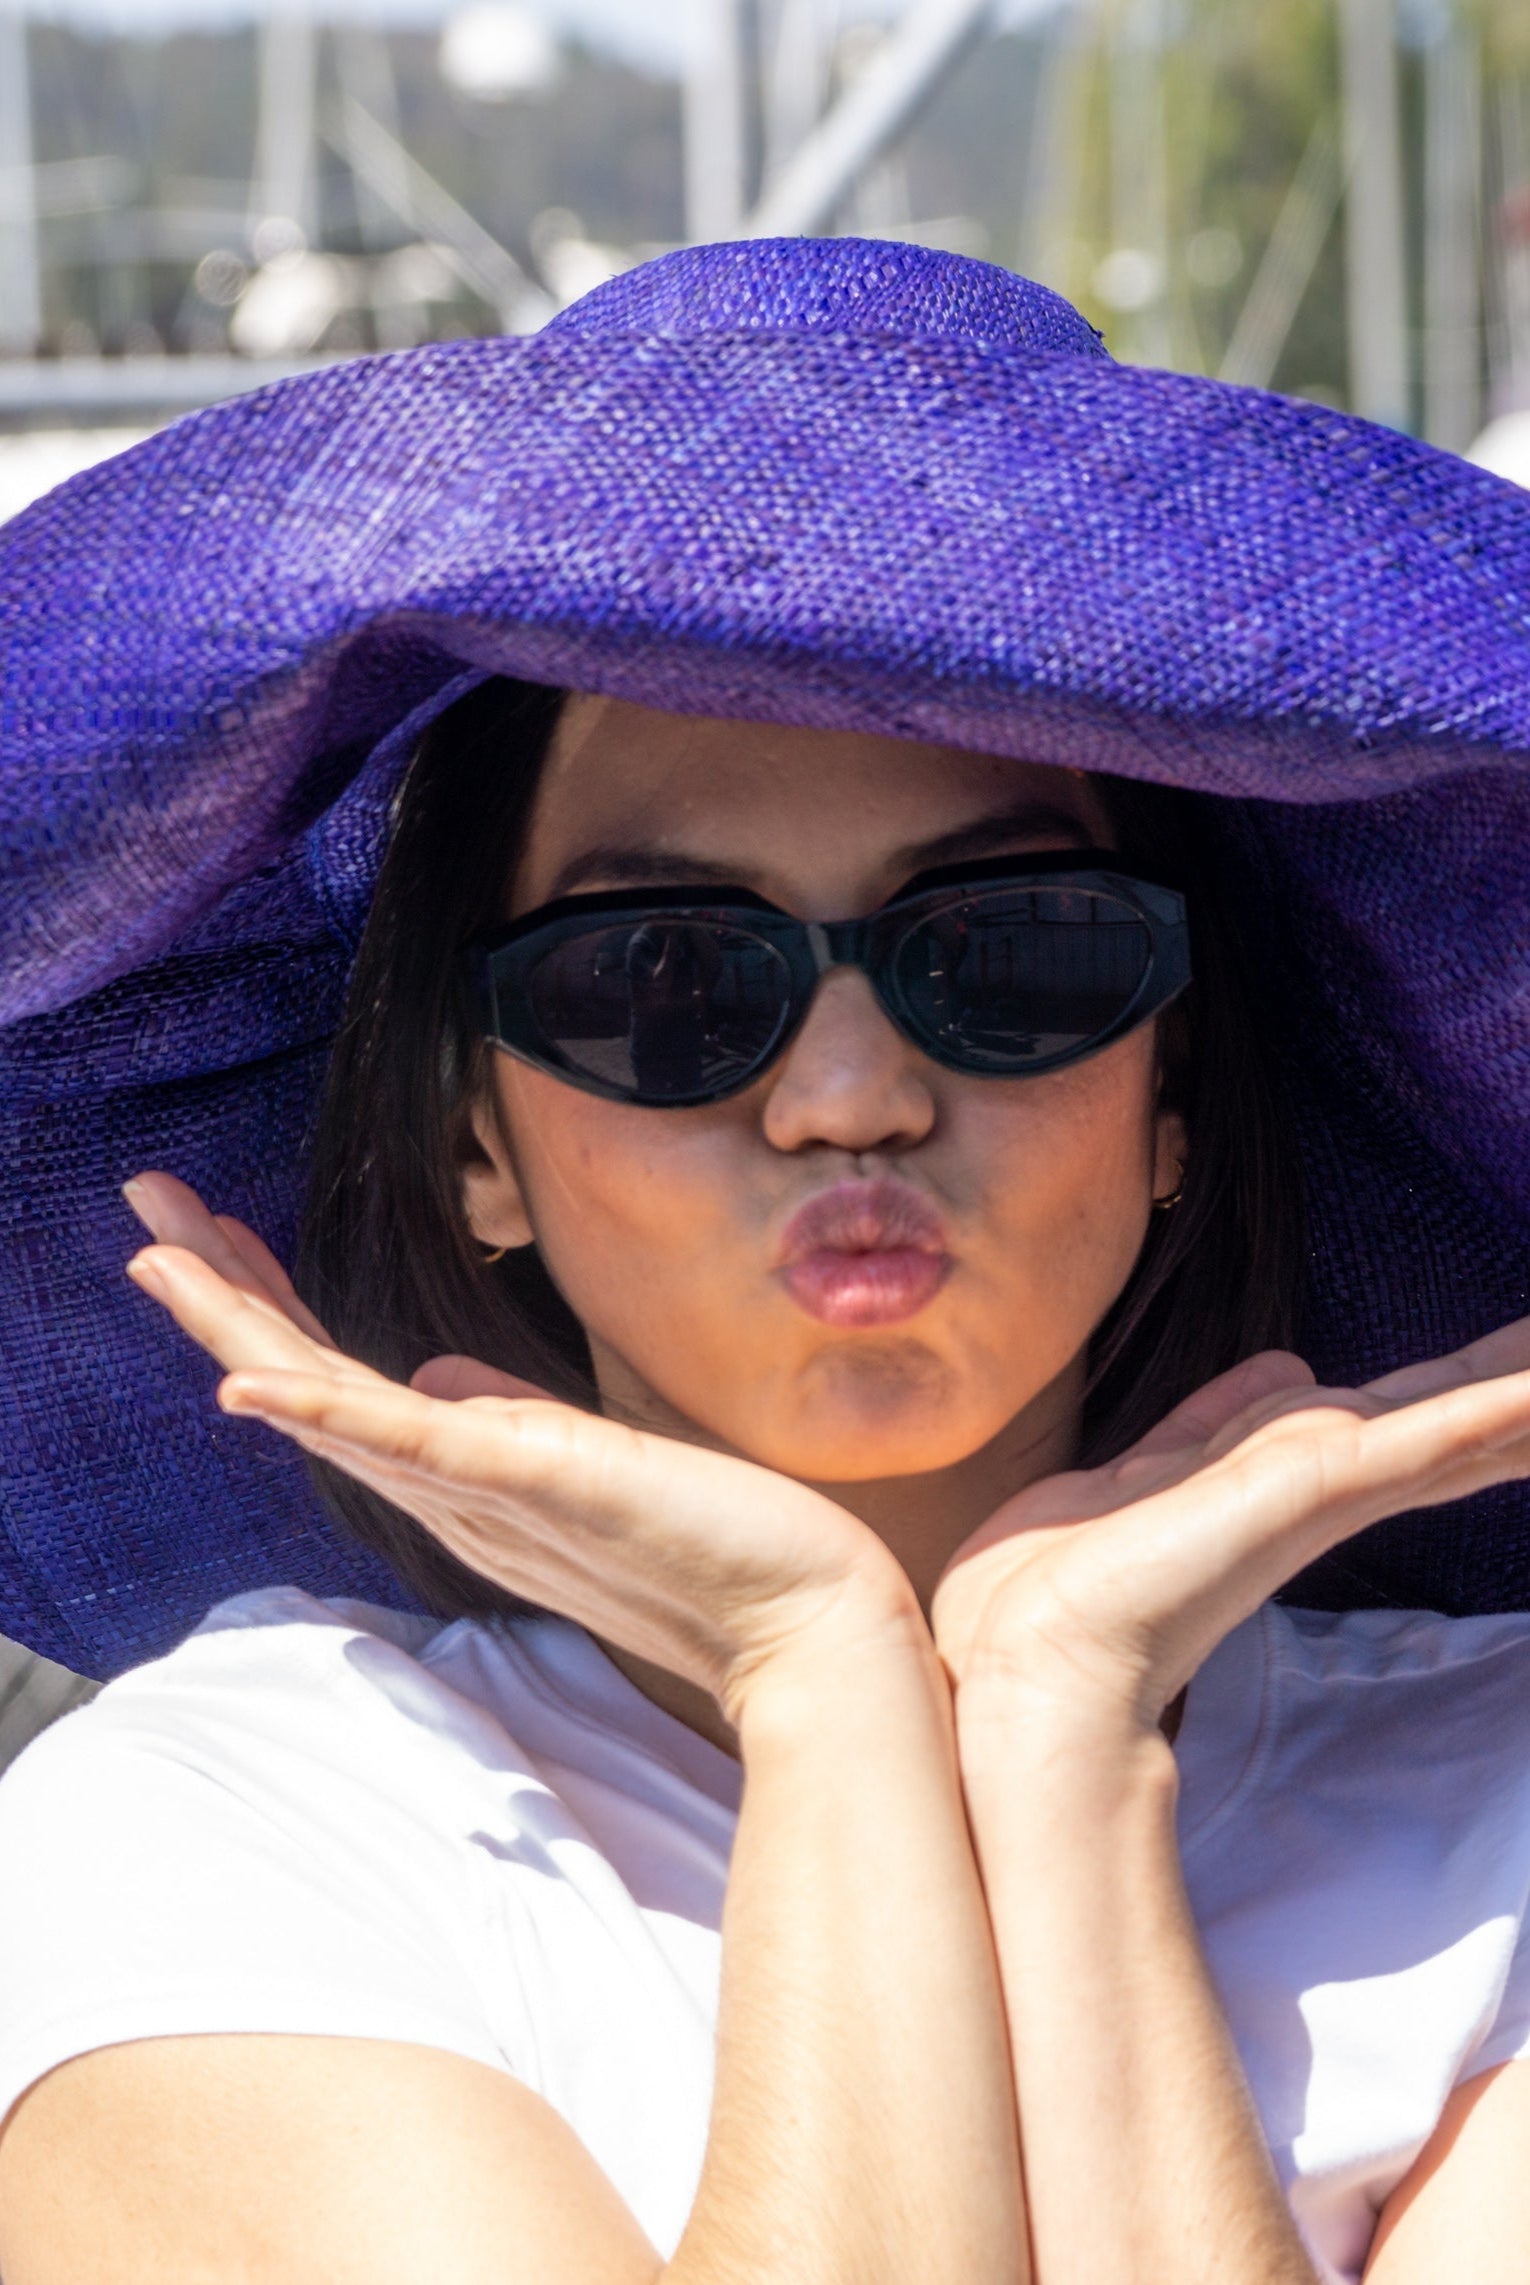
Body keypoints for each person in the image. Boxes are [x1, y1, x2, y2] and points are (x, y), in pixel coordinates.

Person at [1, 237, 1529, 2285]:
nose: (845, 1096)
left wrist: (1065, 1737)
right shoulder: (225, 1828)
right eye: (662, 980)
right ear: (479, 1143)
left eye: (1015, 955)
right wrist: (821, 1683)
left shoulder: (1496, 1818)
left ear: (1178, 1092)